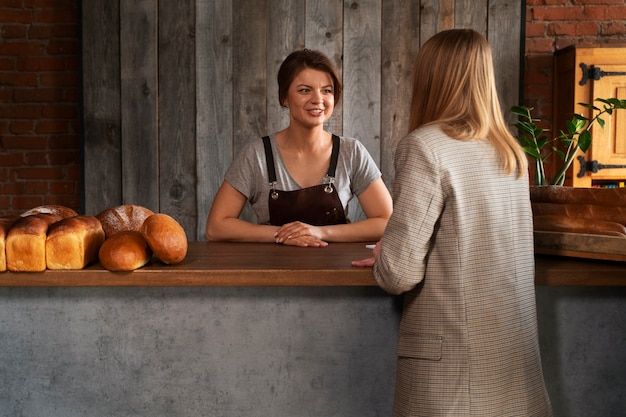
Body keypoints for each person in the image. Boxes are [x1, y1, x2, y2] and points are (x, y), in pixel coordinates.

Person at [352, 29, 553, 416]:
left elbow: (397, 274)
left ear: (431, 77)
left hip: (452, 372)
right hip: (510, 364)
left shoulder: (425, 147)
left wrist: (386, 253)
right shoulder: (510, 151)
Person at [206, 49, 392, 247]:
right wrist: (285, 234)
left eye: (326, 90)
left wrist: (319, 232)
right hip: (272, 271)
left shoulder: (351, 152)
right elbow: (216, 227)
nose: (318, 99)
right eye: (305, 90)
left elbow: (387, 221)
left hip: (337, 272)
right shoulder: (257, 155)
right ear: (284, 97)